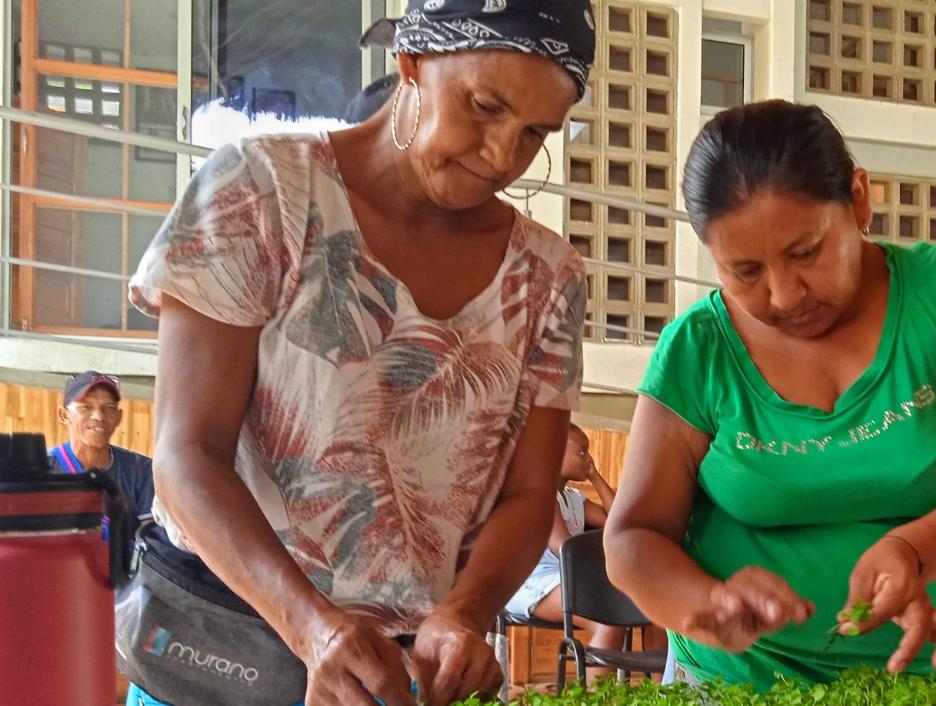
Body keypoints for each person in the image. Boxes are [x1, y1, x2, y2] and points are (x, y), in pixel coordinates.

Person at [124, 0, 594, 704]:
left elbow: (529, 494)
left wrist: (464, 612)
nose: (502, 156)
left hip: (401, 677)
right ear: (412, 65)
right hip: (223, 646)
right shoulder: (262, 191)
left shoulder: (547, 277)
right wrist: (312, 629)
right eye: (483, 107)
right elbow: (185, 457)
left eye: (534, 134)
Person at [604, 100, 936, 690]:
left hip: (927, 684)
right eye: (745, 272)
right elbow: (632, 538)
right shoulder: (698, 350)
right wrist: (709, 605)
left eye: (806, 252)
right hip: (736, 686)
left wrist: (913, 551)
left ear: (859, 199)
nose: (784, 295)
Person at [504, 425, 623, 656]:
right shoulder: (540, 495)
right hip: (532, 582)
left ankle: (659, 688)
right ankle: (592, 693)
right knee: (608, 621)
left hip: (565, 578)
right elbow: (563, 548)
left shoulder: (575, 500)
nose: (588, 458)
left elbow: (618, 521)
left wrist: (596, 477)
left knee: (646, 608)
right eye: (582, 452)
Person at [50, 370, 155, 530]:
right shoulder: (38, 470)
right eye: (85, 407)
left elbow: (153, 542)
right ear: (64, 415)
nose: (99, 416)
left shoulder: (141, 471)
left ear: (119, 417)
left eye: (109, 407)